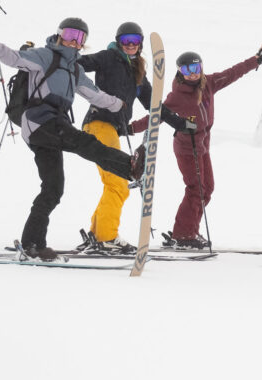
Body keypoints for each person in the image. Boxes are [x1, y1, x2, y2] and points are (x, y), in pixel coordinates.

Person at [0, 18, 143, 261]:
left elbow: (95, 95)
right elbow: (13, 57)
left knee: (53, 189)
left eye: (80, 37)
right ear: (60, 34)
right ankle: (129, 166)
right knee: (86, 143)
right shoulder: (44, 56)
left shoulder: (76, 69)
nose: (74, 40)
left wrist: (119, 104)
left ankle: (32, 244)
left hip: (50, 128)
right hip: (41, 120)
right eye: (71, 34)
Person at [76, 21, 187, 253]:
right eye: (125, 40)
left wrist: (179, 123)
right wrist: (53, 56)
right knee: (118, 184)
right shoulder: (108, 57)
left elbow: (153, 105)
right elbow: (80, 63)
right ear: (118, 42)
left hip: (110, 129)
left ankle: (99, 234)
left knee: (114, 184)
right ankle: (106, 237)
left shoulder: (137, 71)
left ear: (140, 44)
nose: (130, 45)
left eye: (134, 41)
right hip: (99, 125)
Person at [155, 42, 262, 249]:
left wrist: (257, 59)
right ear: (180, 72)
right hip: (185, 147)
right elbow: (156, 116)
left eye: (195, 68)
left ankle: (189, 230)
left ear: (201, 67)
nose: (192, 74)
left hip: (202, 145)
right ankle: (183, 234)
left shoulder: (209, 83)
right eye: (186, 70)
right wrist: (129, 128)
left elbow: (233, 72)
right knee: (196, 188)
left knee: (207, 188)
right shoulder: (177, 96)